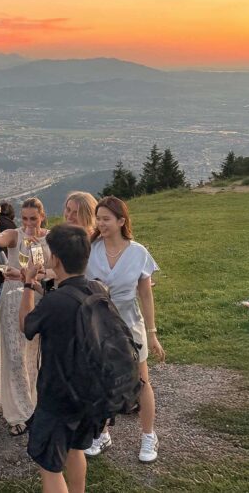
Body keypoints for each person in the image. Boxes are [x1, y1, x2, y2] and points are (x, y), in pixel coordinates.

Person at [18, 224, 103, 493]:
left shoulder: (55, 303)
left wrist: (28, 285)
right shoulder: (98, 290)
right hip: (89, 392)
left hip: (57, 394)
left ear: (55, 259)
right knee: (76, 449)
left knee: (50, 466)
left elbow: (26, 326)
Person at [84, 195, 166, 462]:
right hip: (96, 325)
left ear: (121, 221)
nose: (100, 223)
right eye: (98, 218)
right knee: (99, 381)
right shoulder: (91, 249)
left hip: (130, 325)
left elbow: (145, 295)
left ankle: (148, 436)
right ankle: (102, 433)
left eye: (106, 219)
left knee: (141, 382)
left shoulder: (138, 253)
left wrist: (152, 333)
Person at [0, 197, 50, 435]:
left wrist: (36, 252)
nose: (28, 223)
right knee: (15, 356)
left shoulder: (50, 237)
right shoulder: (15, 233)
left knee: (36, 355)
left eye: (33, 218)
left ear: (41, 216)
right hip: (14, 298)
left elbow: (48, 269)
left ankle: (37, 405)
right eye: (24, 218)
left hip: (39, 297)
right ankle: (19, 412)